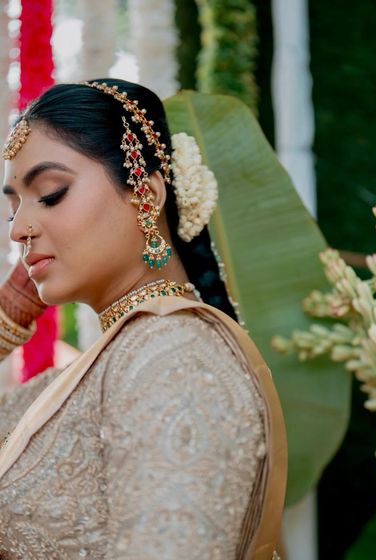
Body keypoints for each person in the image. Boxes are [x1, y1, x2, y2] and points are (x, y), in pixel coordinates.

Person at [0, 79, 287, 559]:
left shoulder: (173, 358)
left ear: (146, 194)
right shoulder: (110, 364)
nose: (19, 230)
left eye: (49, 194)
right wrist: (10, 309)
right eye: (13, 208)